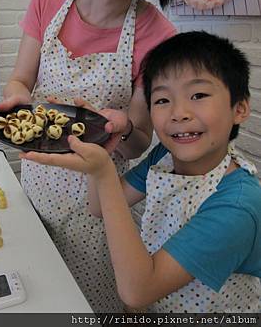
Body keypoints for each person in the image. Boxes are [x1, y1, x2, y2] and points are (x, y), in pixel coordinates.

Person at [0, 0, 186, 312]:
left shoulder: (159, 35)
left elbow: (140, 138)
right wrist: (14, 101)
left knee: (87, 306)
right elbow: (20, 81)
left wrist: (123, 126)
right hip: (37, 182)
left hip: (99, 204)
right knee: (35, 298)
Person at [24, 31, 261, 313]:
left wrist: (103, 173)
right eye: (162, 100)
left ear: (240, 108)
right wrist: (96, 141)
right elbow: (99, 207)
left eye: (198, 95)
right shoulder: (165, 157)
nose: (179, 112)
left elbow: (137, 290)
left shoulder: (236, 207)